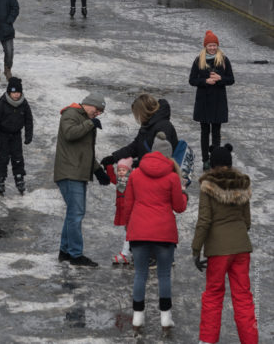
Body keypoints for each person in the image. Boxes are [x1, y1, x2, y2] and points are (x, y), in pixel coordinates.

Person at [192, 143, 258, 344]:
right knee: (243, 297)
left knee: (213, 295)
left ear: (212, 165)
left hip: (218, 251)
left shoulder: (207, 187)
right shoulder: (243, 184)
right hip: (241, 248)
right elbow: (246, 221)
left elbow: (204, 221)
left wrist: (196, 249)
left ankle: (208, 340)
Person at [123, 131, 188, 329]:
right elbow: (179, 207)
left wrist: (130, 229)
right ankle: (166, 318)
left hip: (139, 231)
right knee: (164, 275)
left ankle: (137, 317)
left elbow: (128, 206)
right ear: (168, 156)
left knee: (140, 274)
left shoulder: (135, 174)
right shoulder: (172, 178)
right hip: (164, 233)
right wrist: (184, 193)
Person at [54, 91, 110, 266]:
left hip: (77, 172)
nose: (98, 113)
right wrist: (90, 123)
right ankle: (76, 255)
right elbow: (70, 133)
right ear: (89, 104)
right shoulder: (71, 114)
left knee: (73, 213)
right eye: (98, 109)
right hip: (70, 173)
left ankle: (65, 251)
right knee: (76, 214)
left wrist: (98, 170)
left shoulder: (84, 119)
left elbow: (84, 152)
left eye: (101, 112)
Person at [189, 31, 235, 172]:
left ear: (217, 46)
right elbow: (192, 80)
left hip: (218, 102)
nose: (212, 48)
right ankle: (205, 160)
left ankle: (215, 159)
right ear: (205, 46)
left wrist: (220, 79)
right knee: (204, 132)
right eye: (210, 45)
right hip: (203, 101)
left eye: (214, 45)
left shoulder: (224, 60)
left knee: (216, 132)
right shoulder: (199, 60)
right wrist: (205, 81)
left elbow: (231, 80)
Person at [100, 93, 178, 168]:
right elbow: (135, 147)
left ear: (143, 112)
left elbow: (162, 157)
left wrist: (140, 163)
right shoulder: (148, 125)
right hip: (148, 169)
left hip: (161, 175)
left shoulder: (163, 126)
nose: (137, 117)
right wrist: (114, 158)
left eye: (137, 114)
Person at [0, 76, 34, 195]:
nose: (16, 95)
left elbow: (28, 120)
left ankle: (19, 178)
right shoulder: (1, 104)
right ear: (9, 92)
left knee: (18, 158)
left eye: (18, 92)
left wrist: (28, 135)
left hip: (16, 136)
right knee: (3, 159)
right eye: (14, 92)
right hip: (3, 135)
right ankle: (0, 180)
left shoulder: (24, 104)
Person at [105, 157, 133, 264]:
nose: (121, 172)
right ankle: (128, 253)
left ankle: (125, 253)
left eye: (124, 170)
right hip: (121, 209)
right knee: (127, 231)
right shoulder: (118, 181)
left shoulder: (131, 180)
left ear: (129, 171)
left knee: (129, 231)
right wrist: (109, 166)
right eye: (119, 170)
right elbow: (111, 176)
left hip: (129, 209)